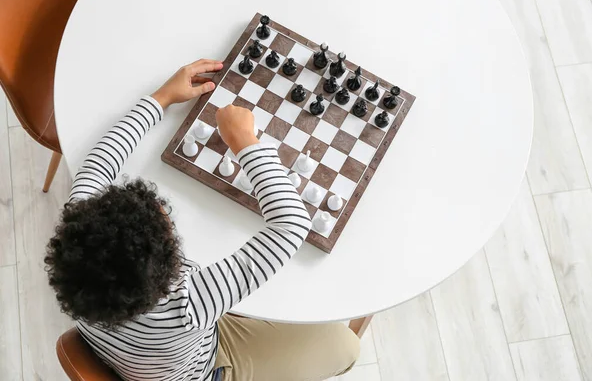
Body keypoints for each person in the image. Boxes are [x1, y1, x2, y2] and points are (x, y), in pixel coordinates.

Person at [45, 58, 360, 381]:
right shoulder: (189, 305)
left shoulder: (79, 240)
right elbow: (292, 224)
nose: (163, 210)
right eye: (162, 222)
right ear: (167, 270)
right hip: (206, 368)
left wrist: (162, 97)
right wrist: (244, 142)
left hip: (131, 355)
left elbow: (98, 165)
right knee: (345, 344)